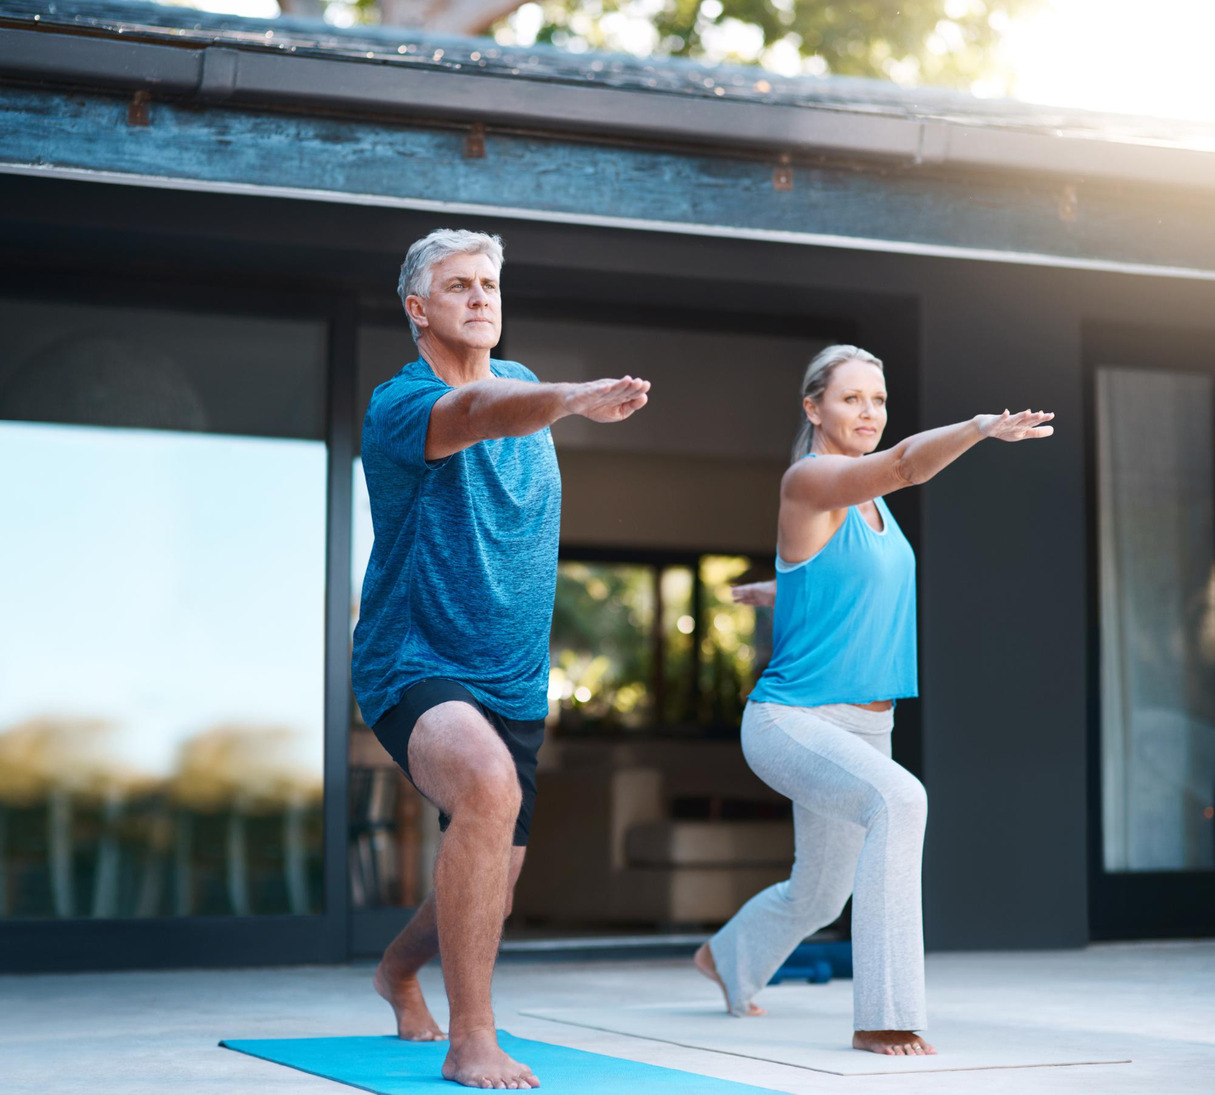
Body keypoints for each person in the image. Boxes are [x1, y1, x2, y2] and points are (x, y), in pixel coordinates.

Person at [352, 228, 650, 1089]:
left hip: (512, 674)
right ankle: (472, 1036)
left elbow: (505, 395)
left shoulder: (521, 381)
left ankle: (396, 970)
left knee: (490, 885)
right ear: (418, 309)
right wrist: (572, 397)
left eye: (488, 283)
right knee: (485, 786)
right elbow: (479, 415)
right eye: (458, 286)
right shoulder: (400, 403)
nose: (480, 297)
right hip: (414, 658)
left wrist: (550, 395)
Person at [694, 344, 1053, 1056]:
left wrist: (775, 590)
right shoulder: (812, 479)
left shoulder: (872, 506)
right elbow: (903, 463)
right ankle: (884, 1014)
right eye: (851, 398)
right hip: (791, 720)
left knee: (820, 891)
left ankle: (727, 958)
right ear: (813, 407)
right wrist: (979, 425)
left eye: (878, 400)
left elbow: (840, 577)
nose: (868, 412)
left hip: (866, 727)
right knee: (899, 800)